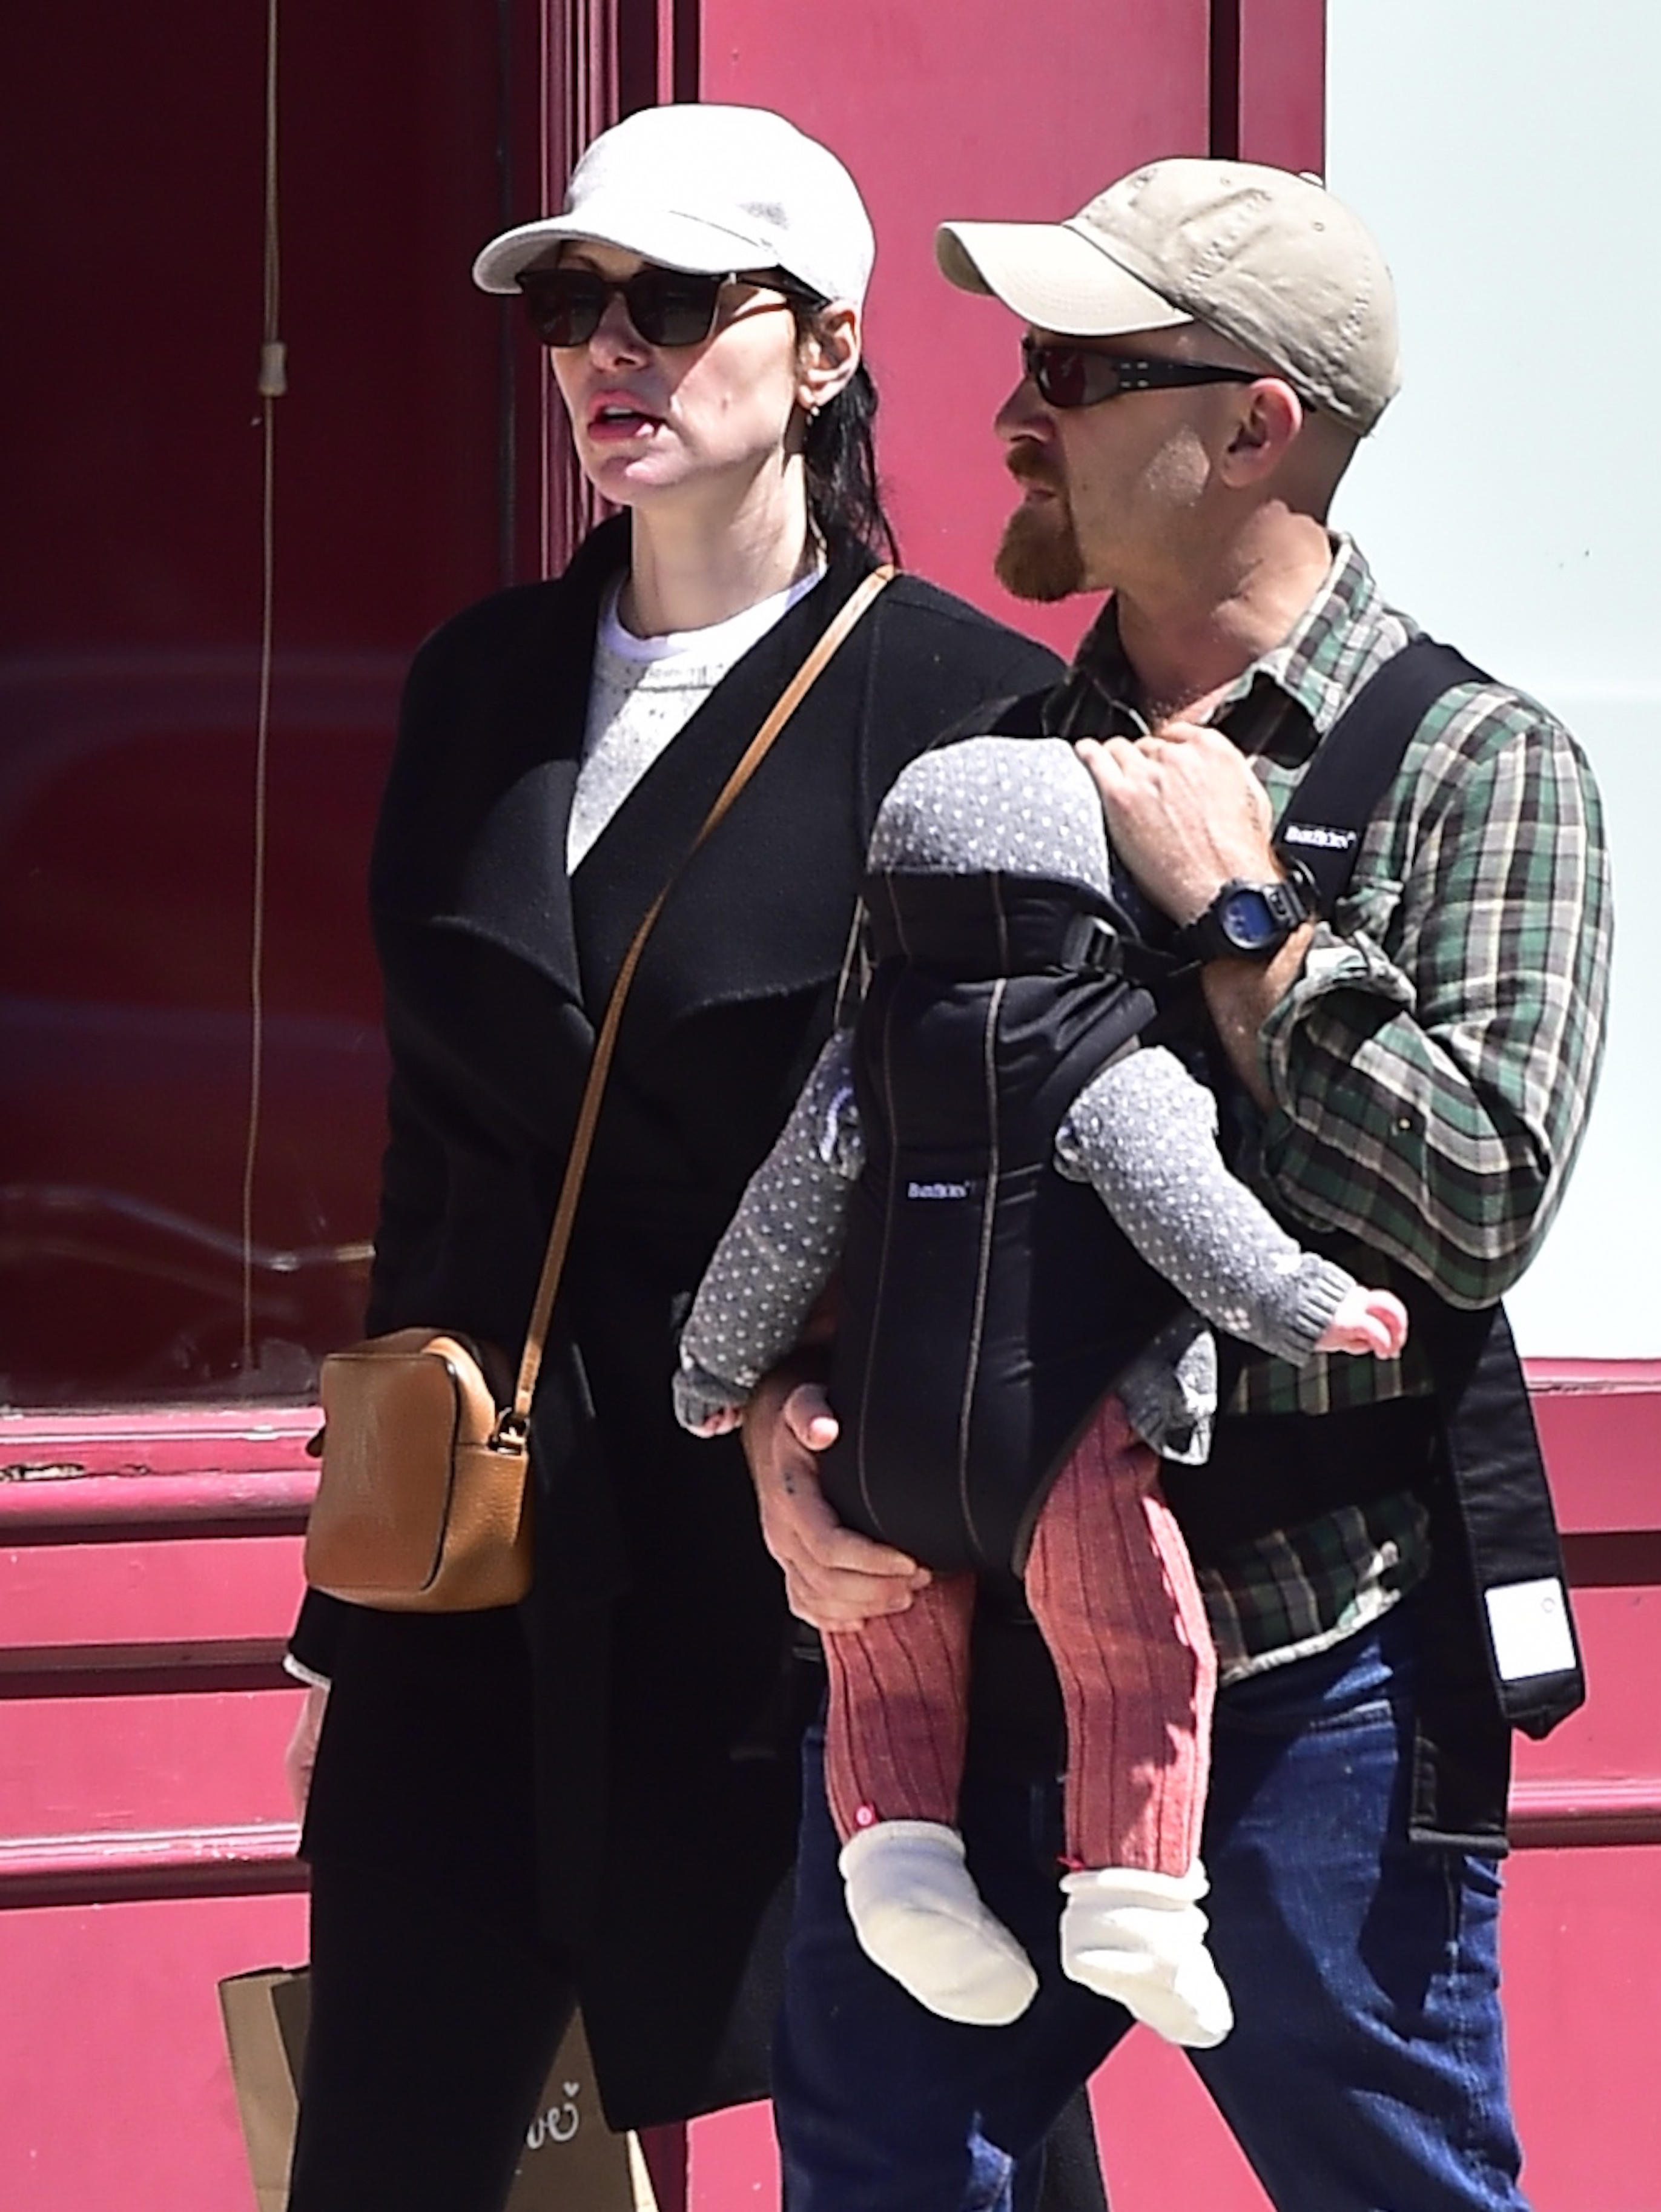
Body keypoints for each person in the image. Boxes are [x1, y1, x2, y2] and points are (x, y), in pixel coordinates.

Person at [750, 159, 1613, 2210]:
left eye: (1078, 365)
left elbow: (1480, 1200)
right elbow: (840, 1166)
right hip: (959, 1674)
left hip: (1321, 1666)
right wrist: (779, 1443)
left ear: (1256, 427)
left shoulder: (1479, 766)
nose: (1009, 413)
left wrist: (1245, 924)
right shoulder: (977, 768)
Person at [276, 102, 1077, 2212]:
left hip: (811, 1565)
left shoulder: (965, 707)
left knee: (925, 2150)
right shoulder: (483, 682)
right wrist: (342, 1619)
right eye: (571, 302)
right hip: (486, 1548)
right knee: (388, 2142)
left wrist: (900, 1494)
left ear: (822, 347)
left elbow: (1021, 1191)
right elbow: (430, 1156)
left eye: (670, 301)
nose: (607, 350)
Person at [672, 730, 1407, 2049]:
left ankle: (897, 1866)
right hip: (1057, 1448)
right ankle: (1131, 1896)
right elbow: (1202, 1223)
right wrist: (1312, 1304)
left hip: (879, 1441)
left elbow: (771, 1235)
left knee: (885, 1661)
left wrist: (715, 1371)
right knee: (1135, 1650)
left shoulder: (864, 1060)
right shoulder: (1110, 1067)